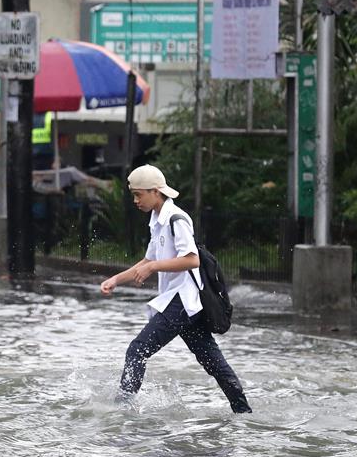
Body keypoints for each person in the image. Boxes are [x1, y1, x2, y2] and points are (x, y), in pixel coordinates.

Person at [99, 164, 252, 413]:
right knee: (212, 361)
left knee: (137, 350)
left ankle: (122, 410)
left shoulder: (176, 219)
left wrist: (154, 267)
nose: (135, 201)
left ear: (156, 192)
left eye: (139, 195)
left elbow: (192, 259)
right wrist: (116, 279)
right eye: (134, 195)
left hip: (182, 301)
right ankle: (244, 412)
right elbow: (148, 261)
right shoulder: (157, 221)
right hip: (183, 304)